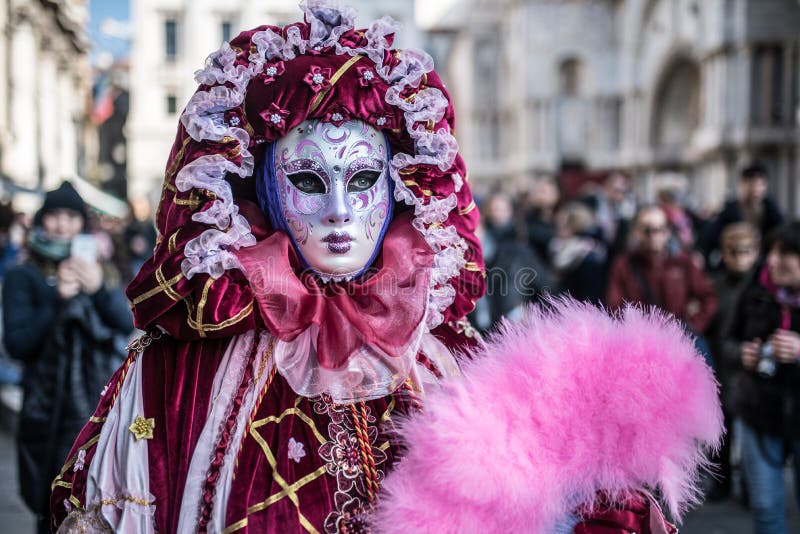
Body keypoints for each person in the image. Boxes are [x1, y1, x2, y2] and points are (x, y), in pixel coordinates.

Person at [51, 3, 698, 532]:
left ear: (398, 189)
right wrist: (138, 451)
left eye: (361, 178)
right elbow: (137, 447)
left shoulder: (448, 357)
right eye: (307, 179)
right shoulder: (178, 366)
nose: (338, 211)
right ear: (267, 190)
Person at [2, 182, 133, 534]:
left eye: (71, 217)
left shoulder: (102, 271)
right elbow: (18, 345)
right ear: (42, 221)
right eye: (55, 216)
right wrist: (58, 300)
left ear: (83, 225)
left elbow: (126, 324)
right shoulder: (23, 275)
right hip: (46, 408)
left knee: (98, 507)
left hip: (97, 406)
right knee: (50, 506)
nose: (62, 225)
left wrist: (98, 292)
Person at [722, 222, 800, 534]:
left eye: (786, 254)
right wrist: (743, 354)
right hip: (758, 411)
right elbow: (726, 342)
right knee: (766, 508)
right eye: (771, 252)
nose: (772, 261)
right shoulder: (755, 288)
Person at [705, 222, 761, 500]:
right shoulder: (714, 285)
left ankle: (752, 487)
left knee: (752, 434)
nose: (740, 257)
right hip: (723, 367)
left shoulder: (764, 286)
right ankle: (722, 482)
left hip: (753, 370)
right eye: (734, 251)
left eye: (746, 251)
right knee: (722, 432)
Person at [606, 205, 717, 340]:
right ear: (636, 231)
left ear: (667, 232)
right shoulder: (623, 265)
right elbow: (614, 308)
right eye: (648, 230)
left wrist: (691, 327)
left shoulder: (683, 262)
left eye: (660, 229)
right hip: (639, 342)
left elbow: (708, 298)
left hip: (677, 340)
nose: (654, 236)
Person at [478, 190, 554, 330]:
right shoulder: (484, 243)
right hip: (492, 313)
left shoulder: (522, 240)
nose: (498, 213)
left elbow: (542, 283)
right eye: (494, 209)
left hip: (516, 310)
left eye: (503, 209)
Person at [702, 163, 784, 267]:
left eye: (760, 184)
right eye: (751, 184)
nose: (756, 189)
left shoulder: (772, 210)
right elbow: (710, 236)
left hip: (762, 263)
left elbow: (780, 232)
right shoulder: (730, 210)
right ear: (743, 184)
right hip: (734, 262)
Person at [550, 202, 607, 305]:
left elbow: (591, 296)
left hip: (579, 311)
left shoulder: (589, 256)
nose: (558, 228)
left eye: (564, 224)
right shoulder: (556, 248)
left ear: (575, 227)